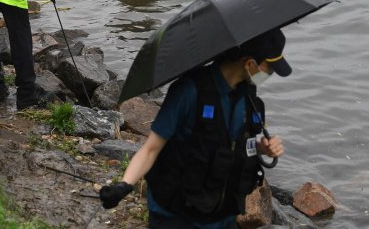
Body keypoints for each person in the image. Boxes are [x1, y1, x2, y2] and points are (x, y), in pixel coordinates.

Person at [99, 28, 289, 228]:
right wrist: (124, 186)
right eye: (269, 69)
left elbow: (235, 142)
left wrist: (262, 148)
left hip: (221, 215)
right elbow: (151, 149)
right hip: (176, 214)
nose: (270, 74)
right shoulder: (189, 91)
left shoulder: (247, 96)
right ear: (250, 63)